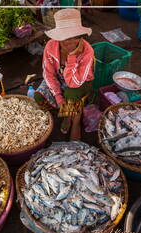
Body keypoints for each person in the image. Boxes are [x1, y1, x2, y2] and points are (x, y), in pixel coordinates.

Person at [34, 8, 95, 141]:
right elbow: (49, 74)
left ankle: (74, 122)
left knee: (71, 93)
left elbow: (75, 83)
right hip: (59, 79)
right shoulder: (50, 47)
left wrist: (72, 57)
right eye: (66, 38)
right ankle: (66, 114)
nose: (71, 42)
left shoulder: (87, 51)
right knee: (38, 96)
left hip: (81, 81)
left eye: (76, 37)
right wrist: (58, 97)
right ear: (58, 37)